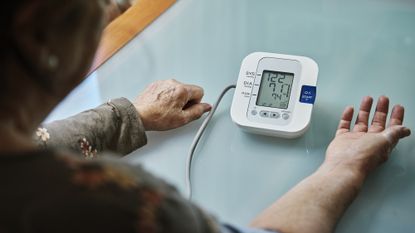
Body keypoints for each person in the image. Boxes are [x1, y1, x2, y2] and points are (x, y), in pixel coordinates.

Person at [0, 1, 411, 233]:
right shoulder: (112, 205)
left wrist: (129, 117)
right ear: (37, 39)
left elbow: (33, 141)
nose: (122, 6)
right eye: (102, 5)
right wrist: (343, 168)